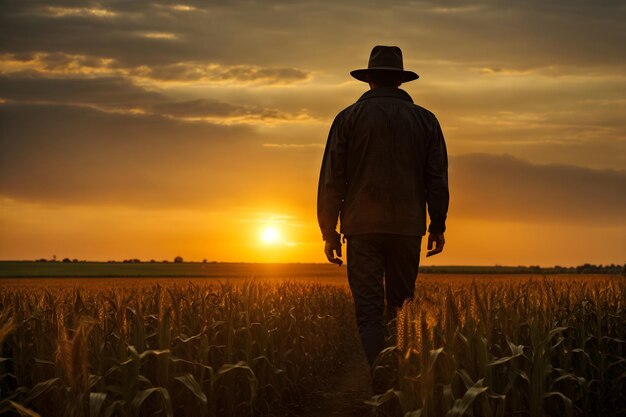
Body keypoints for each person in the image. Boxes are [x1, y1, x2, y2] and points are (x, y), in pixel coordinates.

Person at [317, 45, 449, 369]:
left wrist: (329, 232)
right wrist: (437, 226)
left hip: (361, 227)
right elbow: (437, 178)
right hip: (407, 227)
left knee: (369, 309)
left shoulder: (347, 118)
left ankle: (380, 380)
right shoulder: (427, 121)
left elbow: (332, 179)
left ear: (370, 80)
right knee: (402, 308)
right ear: (400, 81)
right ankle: (400, 381)